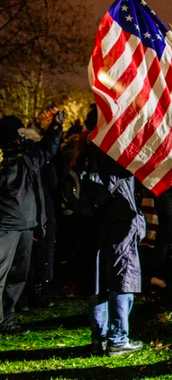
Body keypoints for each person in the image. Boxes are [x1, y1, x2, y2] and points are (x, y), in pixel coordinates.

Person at [72, 126, 146, 357]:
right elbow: (124, 195)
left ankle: (99, 339)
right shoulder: (118, 158)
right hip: (118, 228)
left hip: (93, 229)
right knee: (122, 282)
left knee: (97, 283)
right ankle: (117, 339)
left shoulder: (87, 156)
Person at [0, 110, 63, 334]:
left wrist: (55, 129)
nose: (22, 138)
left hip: (26, 225)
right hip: (5, 227)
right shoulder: (5, 161)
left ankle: (6, 319)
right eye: (18, 134)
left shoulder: (27, 158)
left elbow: (48, 149)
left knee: (18, 276)